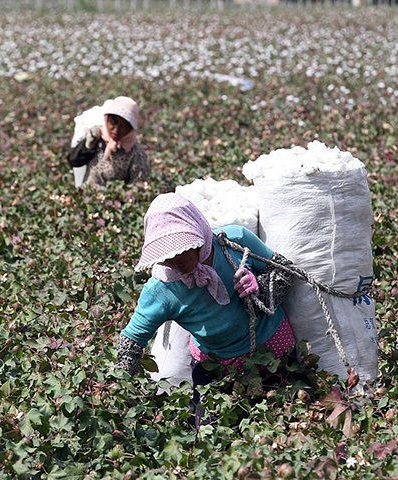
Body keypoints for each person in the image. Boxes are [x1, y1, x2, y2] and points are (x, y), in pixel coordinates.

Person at [116, 193, 297, 390]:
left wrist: (261, 289)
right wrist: (122, 387)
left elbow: (283, 268)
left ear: (198, 234)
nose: (175, 260)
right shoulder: (160, 289)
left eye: (180, 249)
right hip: (216, 365)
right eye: (166, 255)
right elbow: (131, 341)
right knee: (211, 419)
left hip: (272, 348)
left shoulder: (234, 241)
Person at [67, 96, 150, 187]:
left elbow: (139, 184)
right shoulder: (97, 137)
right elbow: (74, 161)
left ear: (130, 127)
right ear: (106, 119)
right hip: (88, 195)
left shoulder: (135, 151)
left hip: (115, 199)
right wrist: (88, 145)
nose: (116, 129)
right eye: (113, 122)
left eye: (123, 125)